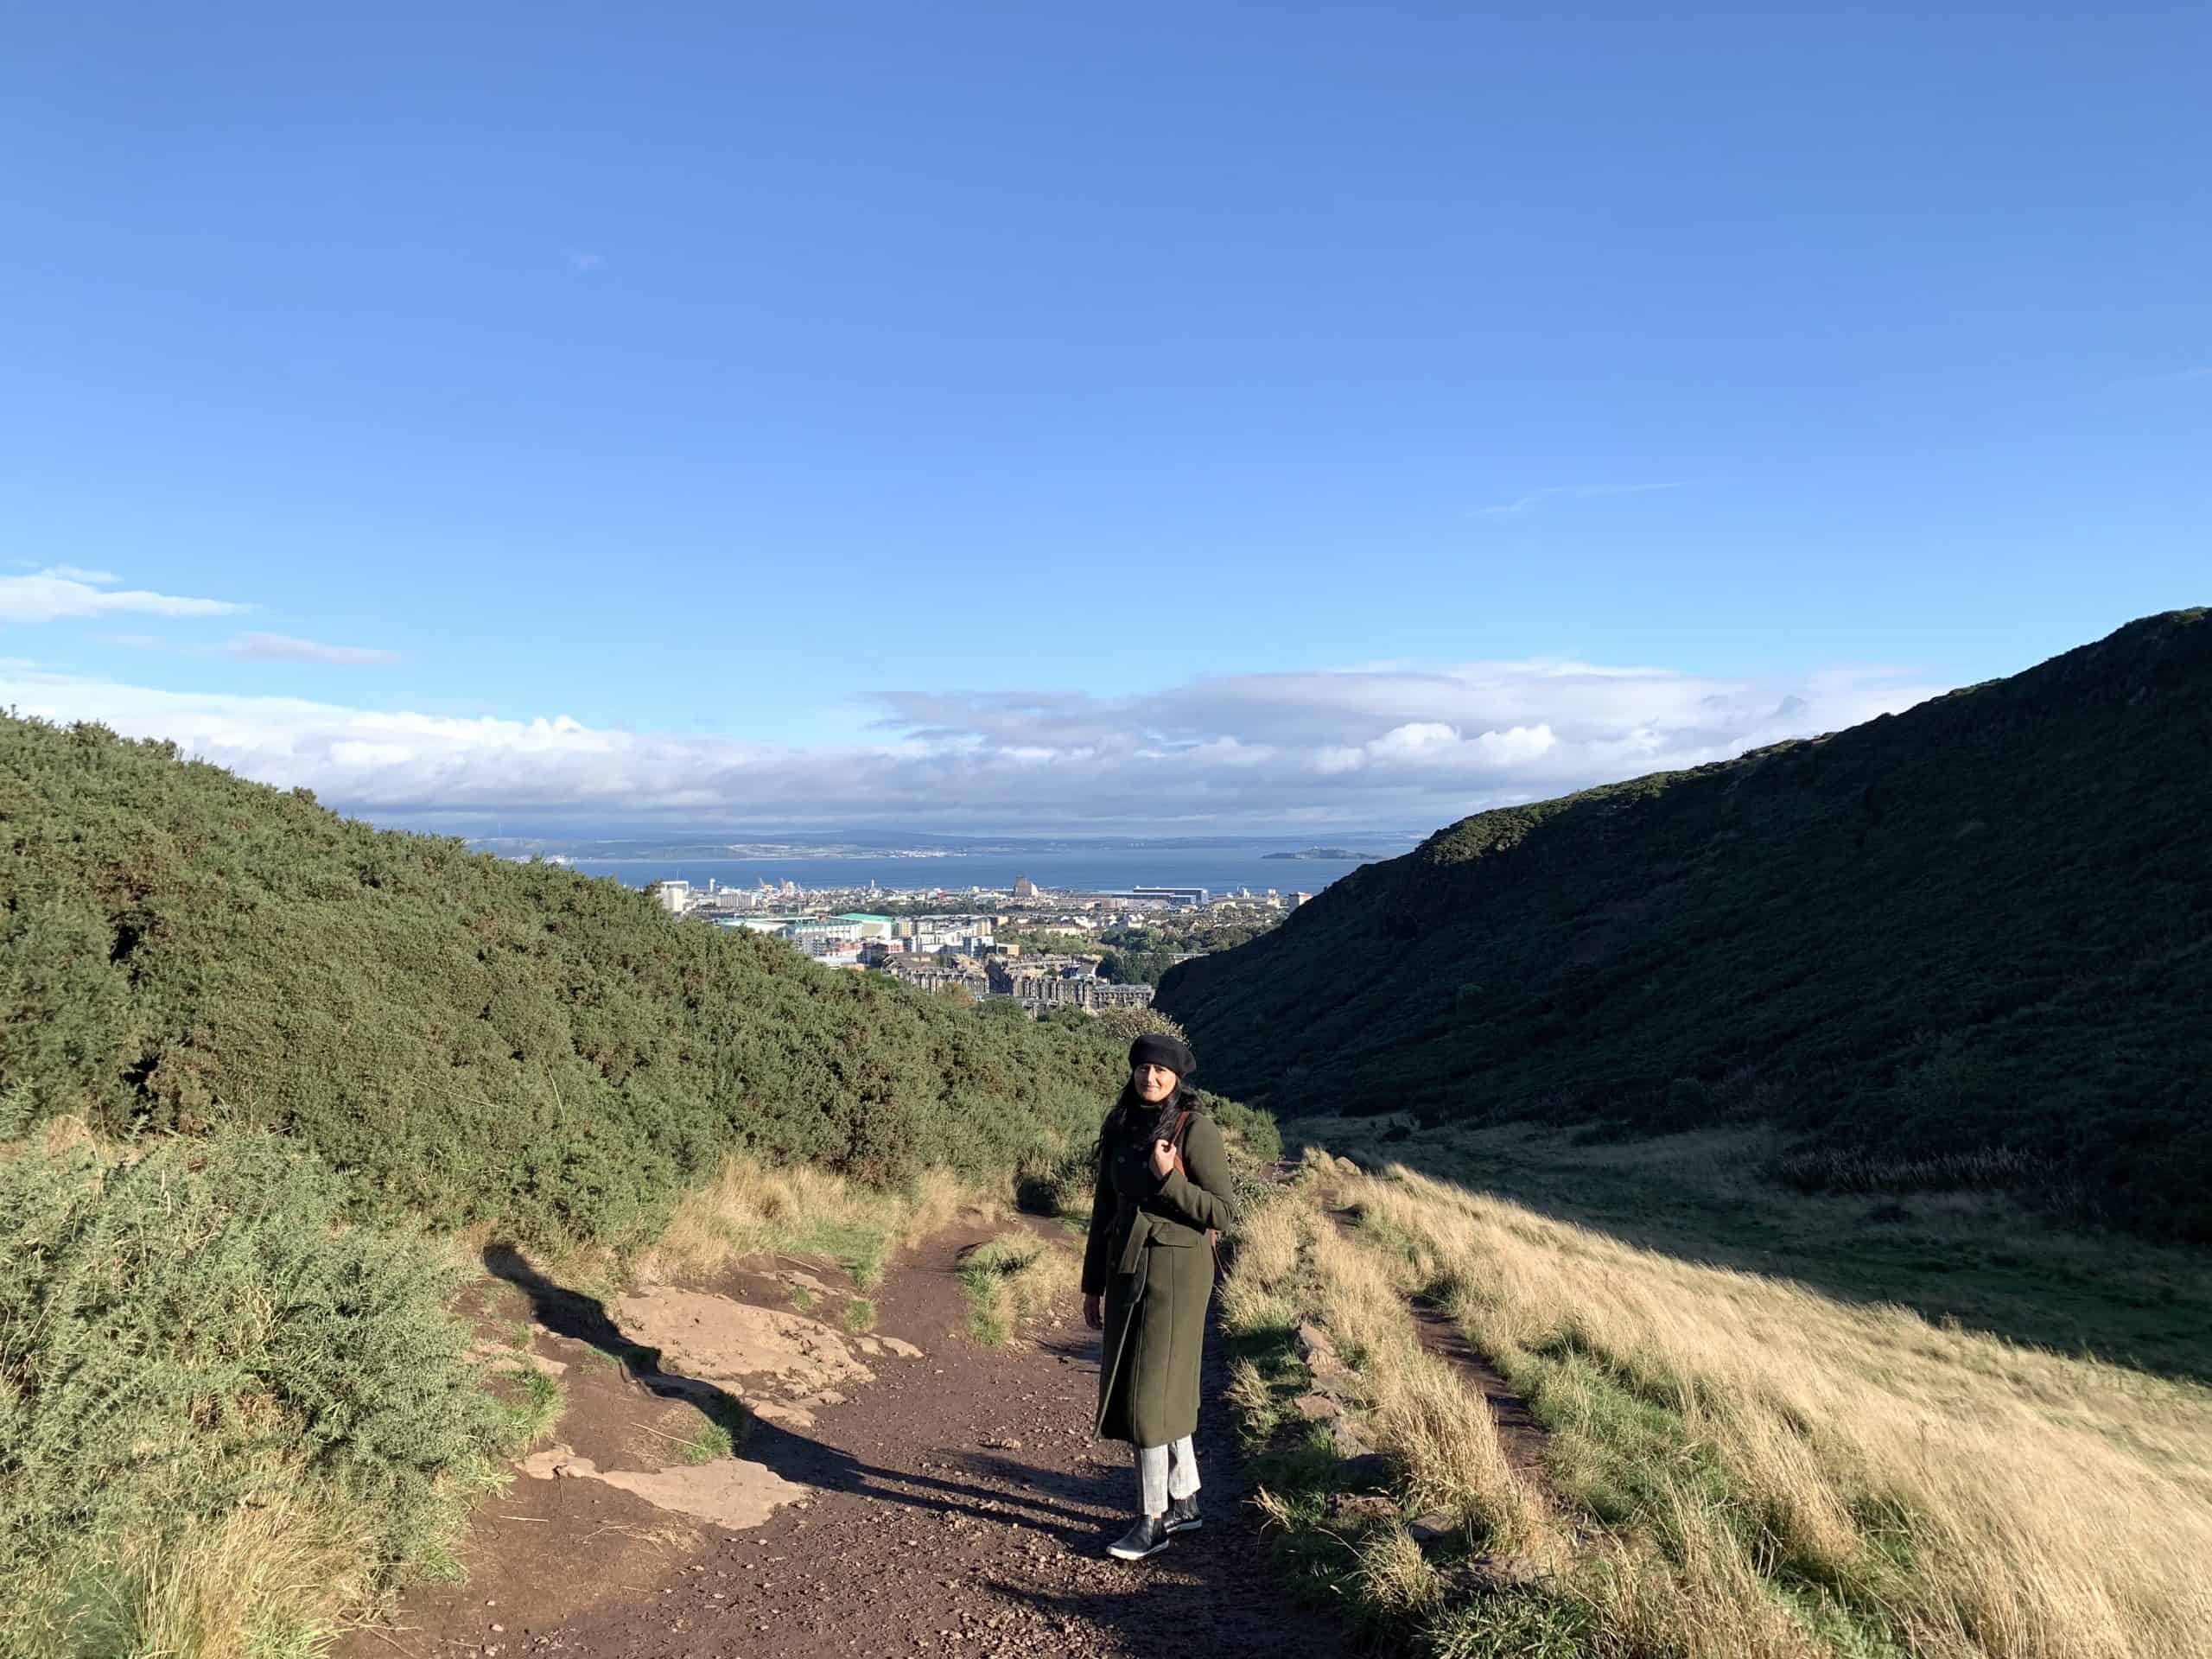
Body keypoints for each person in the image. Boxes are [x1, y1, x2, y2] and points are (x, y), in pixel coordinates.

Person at [1080, 1031, 1237, 1561]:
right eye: (1143, 1068)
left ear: (1178, 1077)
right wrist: (1092, 1284)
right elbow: (1105, 1211)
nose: (1150, 1078)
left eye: (1161, 1071)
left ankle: (1153, 1520)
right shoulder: (1120, 1125)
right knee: (1148, 1384)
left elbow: (1221, 1212)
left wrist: (1169, 1179)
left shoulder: (1196, 1130)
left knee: (1149, 1395)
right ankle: (1187, 1501)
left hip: (1176, 1275)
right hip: (1127, 1267)